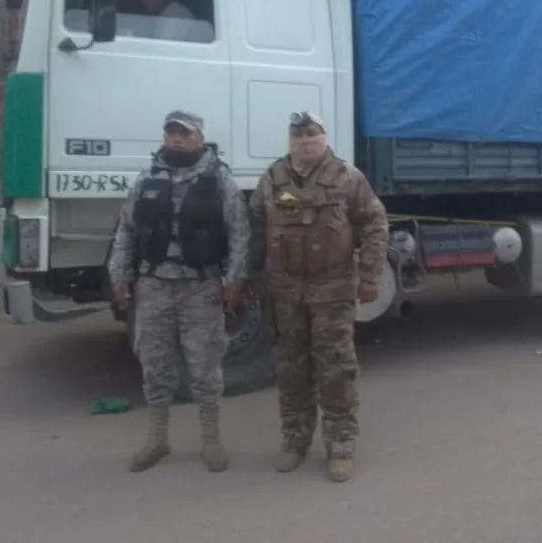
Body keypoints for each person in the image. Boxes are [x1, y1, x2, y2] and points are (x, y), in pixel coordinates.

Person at [248, 111, 389, 483]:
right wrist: (247, 278)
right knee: (291, 369)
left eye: (311, 132)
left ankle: (341, 444)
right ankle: (295, 441)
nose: (305, 138)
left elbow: (375, 222)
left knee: (335, 368)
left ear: (324, 136)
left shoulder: (347, 176)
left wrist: (370, 273)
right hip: (285, 293)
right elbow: (254, 230)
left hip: (332, 290)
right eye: (298, 132)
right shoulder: (271, 179)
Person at [107, 110, 251, 473]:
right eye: (171, 133)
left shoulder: (219, 181)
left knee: (204, 368)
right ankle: (158, 439)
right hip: (153, 285)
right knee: (155, 365)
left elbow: (239, 234)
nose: (176, 139)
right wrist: (120, 276)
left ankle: (211, 440)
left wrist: (234, 281)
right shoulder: (145, 180)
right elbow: (125, 231)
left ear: (199, 137)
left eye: (184, 134)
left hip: (199, 287)